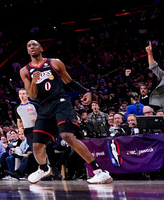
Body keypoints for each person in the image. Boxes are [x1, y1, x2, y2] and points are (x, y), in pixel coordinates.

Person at [20, 39, 112, 184]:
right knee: (37, 146)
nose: (32, 47)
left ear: (41, 48)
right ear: (27, 50)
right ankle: (43, 169)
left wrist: (85, 92)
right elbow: (32, 96)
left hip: (61, 102)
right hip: (44, 107)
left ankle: (100, 171)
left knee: (67, 136)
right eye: (29, 46)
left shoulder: (54, 63)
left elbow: (69, 81)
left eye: (34, 45)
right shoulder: (24, 71)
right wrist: (33, 81)